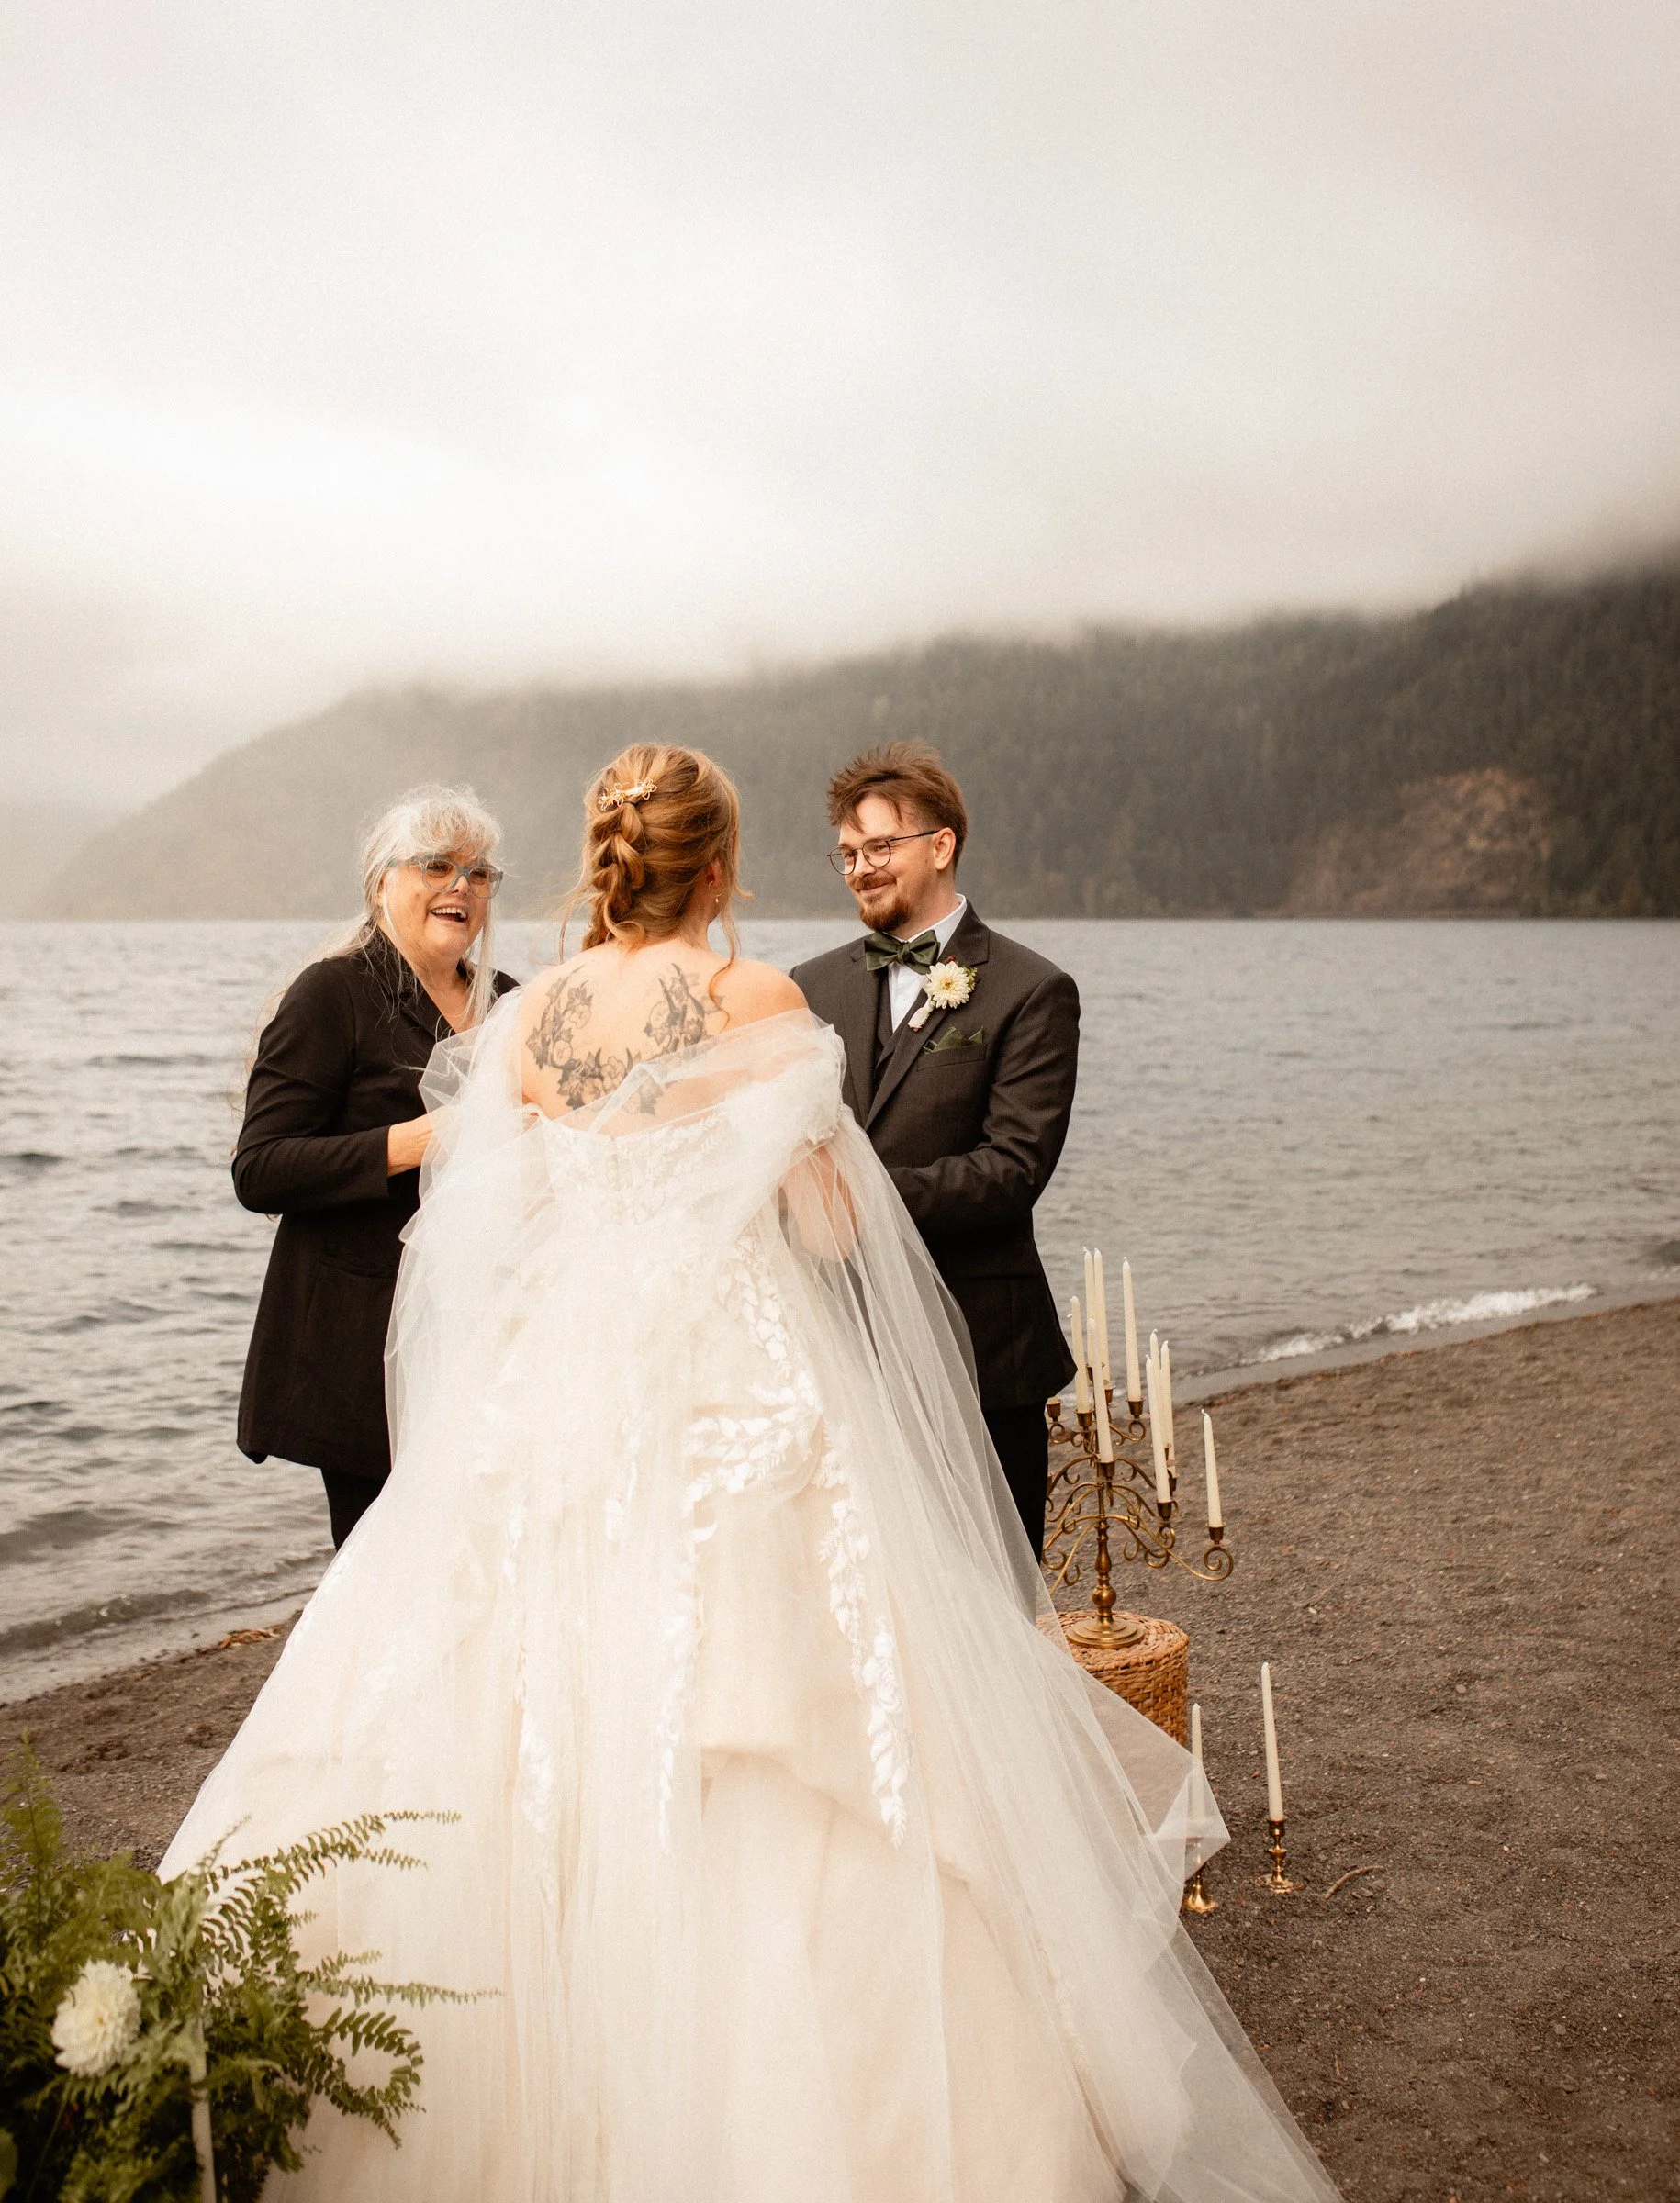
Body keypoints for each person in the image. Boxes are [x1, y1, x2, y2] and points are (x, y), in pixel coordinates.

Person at [162, 744, 1338, 2202]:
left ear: (603, 859)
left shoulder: (530, 1031)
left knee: (500, 1692)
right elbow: (836, 1235)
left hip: (554, 1394)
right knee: (790, 1715)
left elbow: (488, 1237)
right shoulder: (756, 1001)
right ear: (718, 866)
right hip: (729, 1389)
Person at [791, 744, 1077, 1558]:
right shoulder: (807, 986)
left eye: (879, 848)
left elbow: (1014, 1169)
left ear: (941, 845)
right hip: (844, 1346)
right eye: (847, 854)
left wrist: (856, 1192)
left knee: (995, 1599)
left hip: (983, 1349)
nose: (859, 870)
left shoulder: (1030, 988)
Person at [232, 784, 517, 1549]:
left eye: (480, 873)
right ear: (381, 883)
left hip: (489, 1335)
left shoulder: (510, 1004)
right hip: (365, 1348)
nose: (461, 886)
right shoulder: (334, 993)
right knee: (388, 1573)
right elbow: (260, 1168)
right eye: (437, 865)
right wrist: (414, 1142)